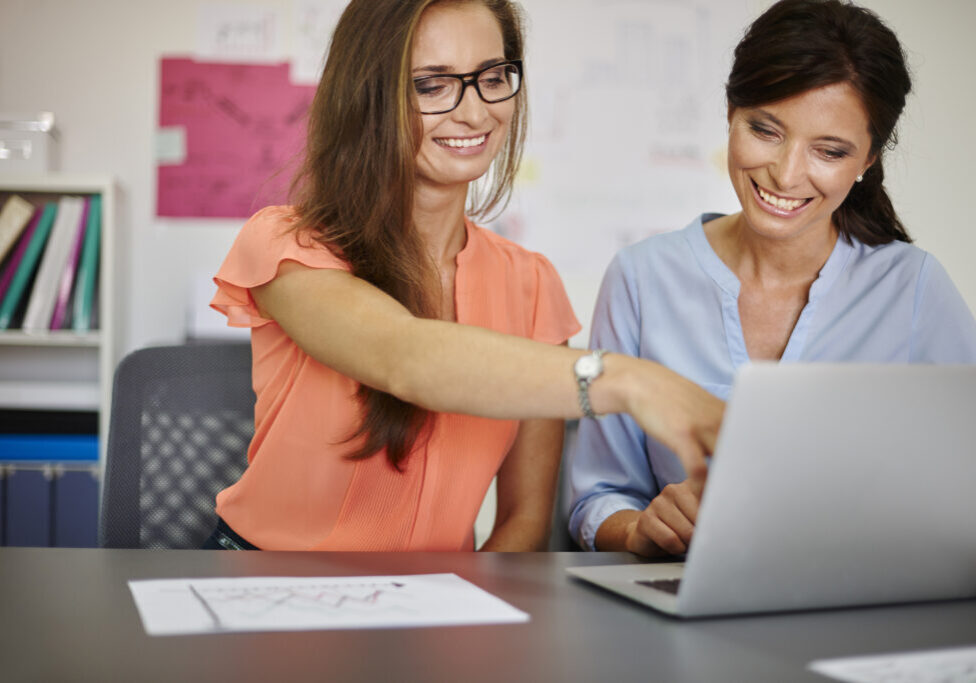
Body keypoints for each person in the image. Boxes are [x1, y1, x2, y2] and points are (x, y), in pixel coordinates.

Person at [205, 0, 724, 551]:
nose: (475, 114)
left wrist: (467, 623)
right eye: (432, 86)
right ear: (367, 97)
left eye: (492, 77)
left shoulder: (532, 284)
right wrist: (631, 381)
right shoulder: (288, 244)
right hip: (269, 587)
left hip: (437, 603)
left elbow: (523, 523)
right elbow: (402, 357)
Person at [568, 0, 976, 557]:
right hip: (681, 607)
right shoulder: (642, 278)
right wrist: (638, 528)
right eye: (765, 130)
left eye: (830, 151)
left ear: (868, 160)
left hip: (858, 611)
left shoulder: (914, 289)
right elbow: (597, 497)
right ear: (731, 113)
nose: (785, 174)